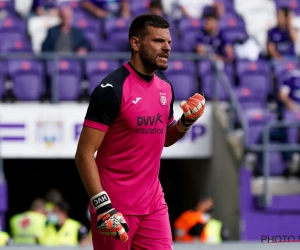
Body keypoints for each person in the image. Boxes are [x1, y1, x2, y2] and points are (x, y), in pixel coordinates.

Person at [75, 14, 206, 250]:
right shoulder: (110, 90)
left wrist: (185, 123)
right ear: (135, 43)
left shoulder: (165, 88)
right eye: (158, 41)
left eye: (169, 42)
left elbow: (164, 138)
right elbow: (84, 154)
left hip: (153, 204)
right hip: (114, 207)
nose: (167, 48)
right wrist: (103, 206)